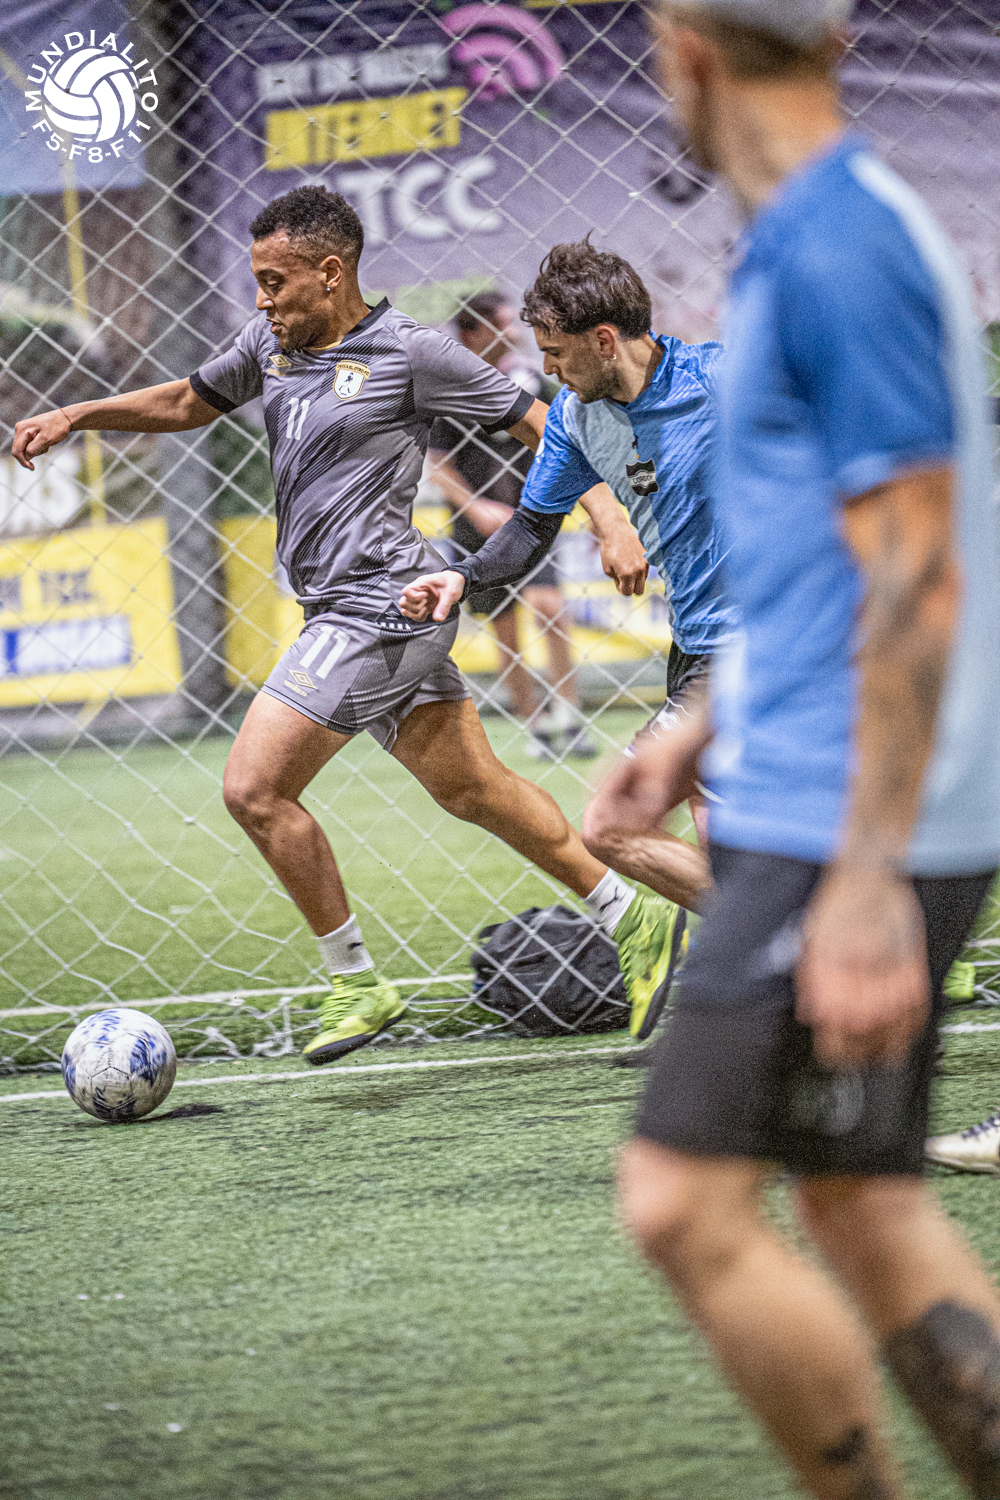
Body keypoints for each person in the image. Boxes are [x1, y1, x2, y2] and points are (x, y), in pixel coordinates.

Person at [11, 185, 676, 1069]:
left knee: (253, 789)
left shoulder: (411, 352)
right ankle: (632, 914)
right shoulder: (269, 345)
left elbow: (541, 424)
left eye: (274, 281)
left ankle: (355, 979)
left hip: (384, 603)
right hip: (342, 607)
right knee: (473, 790)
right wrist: (78, 414)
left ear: (331, 272)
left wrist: (607, 514)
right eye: (256, 281)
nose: (261, 299)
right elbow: (187, 404)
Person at [607, 4, 1000, 1498]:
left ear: (687, 53)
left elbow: (916, 579)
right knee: (858, 1198)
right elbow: (825, 561)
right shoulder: (804, 236)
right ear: (830, 44)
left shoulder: (837, 247)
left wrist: (867, 882)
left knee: (681, 1204)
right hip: (804, 776)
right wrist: (697, 729)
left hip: (843, 812)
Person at [402, 240, 732, 1039]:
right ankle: (798, 963)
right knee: (710, 841)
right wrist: (462, 581)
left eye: (555, 352)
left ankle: (792, 957)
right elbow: (529, 530)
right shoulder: (578, 422)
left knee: (616, 825)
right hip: (696, 646)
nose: (546, 369)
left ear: (605, 339)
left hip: (770, 642)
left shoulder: (725, 379)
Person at [426, 290, 596, 759]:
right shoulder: (450, 388)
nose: (514, 331)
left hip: (531, 520)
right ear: (473, 332)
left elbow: (562, 441)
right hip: (477, 530)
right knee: (506, 630)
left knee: (550, 608)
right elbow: (437, 464)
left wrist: (589, 506)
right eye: (502, 323)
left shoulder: (528, 379)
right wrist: (475, 507)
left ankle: (570, 715)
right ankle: (536, 725)